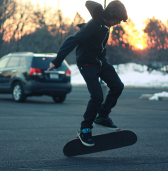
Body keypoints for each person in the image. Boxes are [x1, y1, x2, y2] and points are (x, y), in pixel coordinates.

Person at [47, 0, 128, 147]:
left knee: (118, 86)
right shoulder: (94, 24)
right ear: (111, 15)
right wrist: (57, 60)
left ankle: (102, 116)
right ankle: (85, 129)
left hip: (101, 61)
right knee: (97, 96)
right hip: (87, 63)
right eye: (118, 19)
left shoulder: (105, 24)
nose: (118, 23)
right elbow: (73, 40)